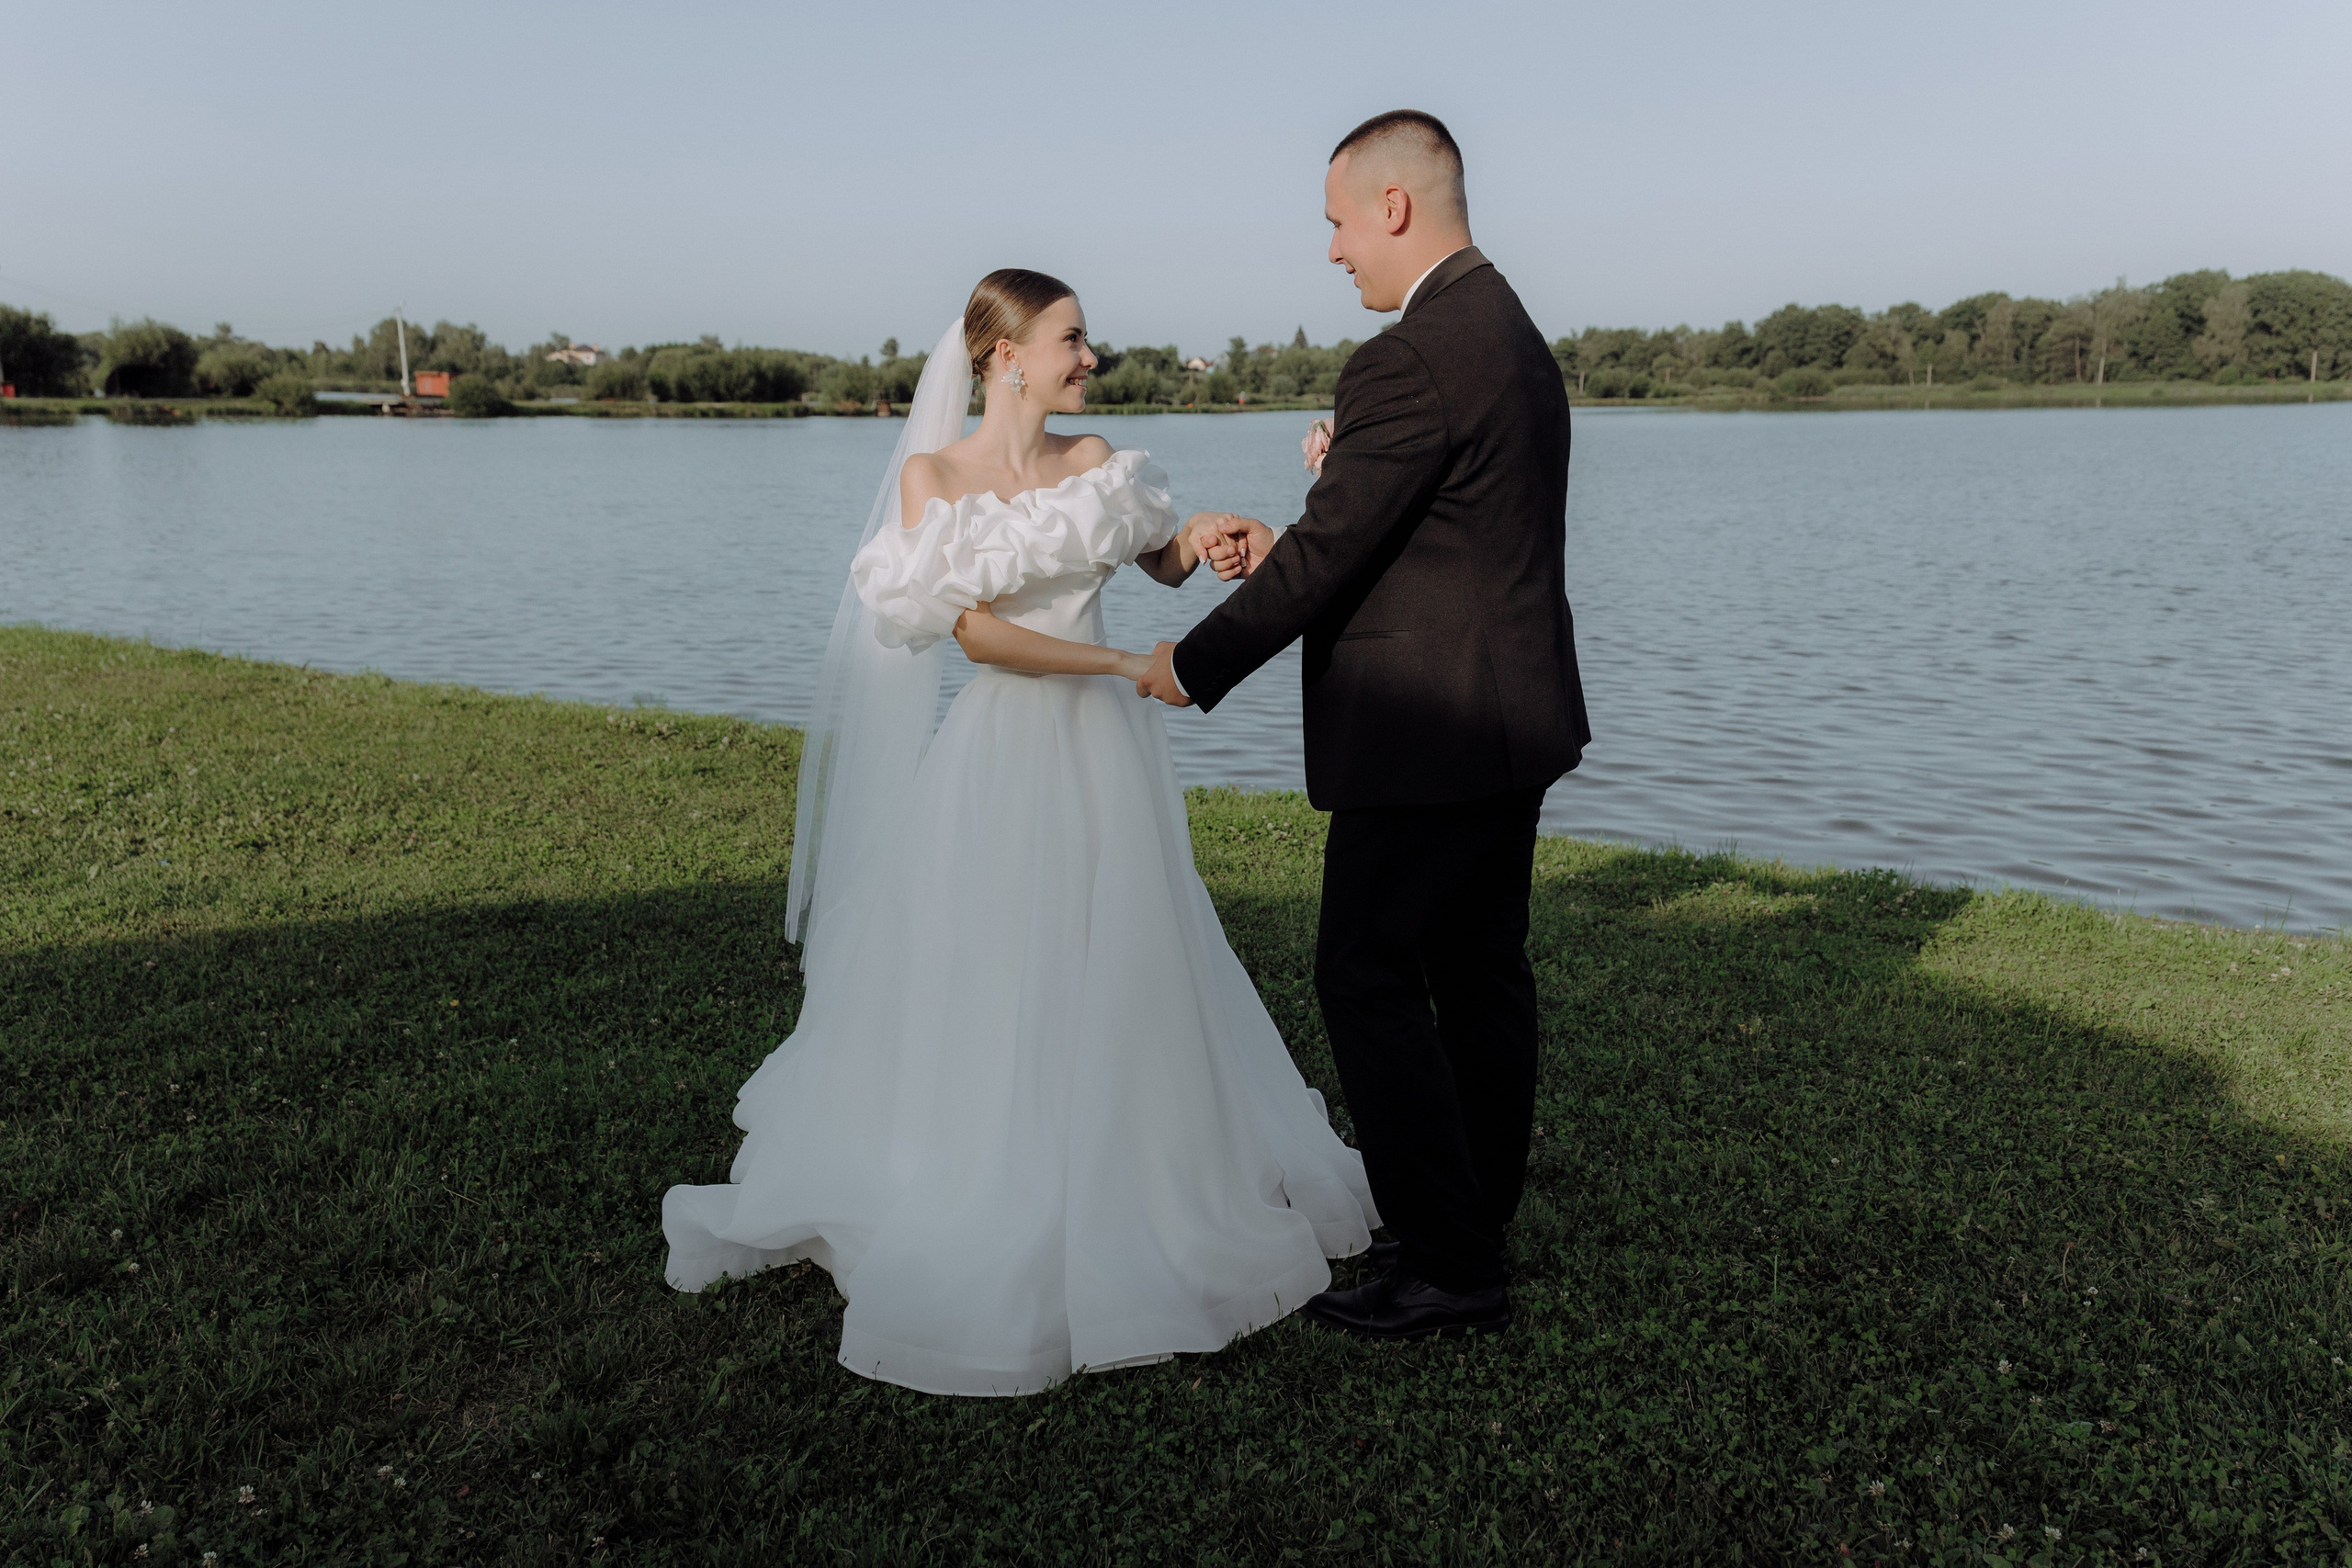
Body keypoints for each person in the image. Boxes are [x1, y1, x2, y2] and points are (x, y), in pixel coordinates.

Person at [661, 269, 1378, 1396]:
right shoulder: (932, 479)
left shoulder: (1093, 462)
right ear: (1003, 357)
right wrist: (1130, 666)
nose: (1090, 357)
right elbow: (982, 639)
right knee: (1003, 963)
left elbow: (1153, 556)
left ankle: (1140, 1172)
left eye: (1086, 340)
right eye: (1072, 338)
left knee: (1131, 955)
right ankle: (996, 1177)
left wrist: (1206, 534)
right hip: (1011, 749)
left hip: (1108, 757)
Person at [1137, 110, 1589, 1340]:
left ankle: (1447, 1259)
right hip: (1512, 714)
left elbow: (1332, 555)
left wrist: (1195, 658)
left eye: (1338, 221)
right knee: (1479, 971)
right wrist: (1354, 469)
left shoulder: (1412, 354)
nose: (1334, 249)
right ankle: (1468, 1218)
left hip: (1428, 730)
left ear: (1393, 204)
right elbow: (1443, 528)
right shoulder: (1503, 328)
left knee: (1368, 971)